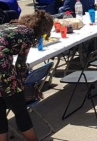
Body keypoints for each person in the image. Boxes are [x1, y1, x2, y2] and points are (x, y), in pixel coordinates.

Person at [0, 10, 55, 141]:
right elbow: (20, 65)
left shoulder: (9, 25)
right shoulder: (28, 33)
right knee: (20, 112)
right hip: (2, 71)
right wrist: (26, 86)